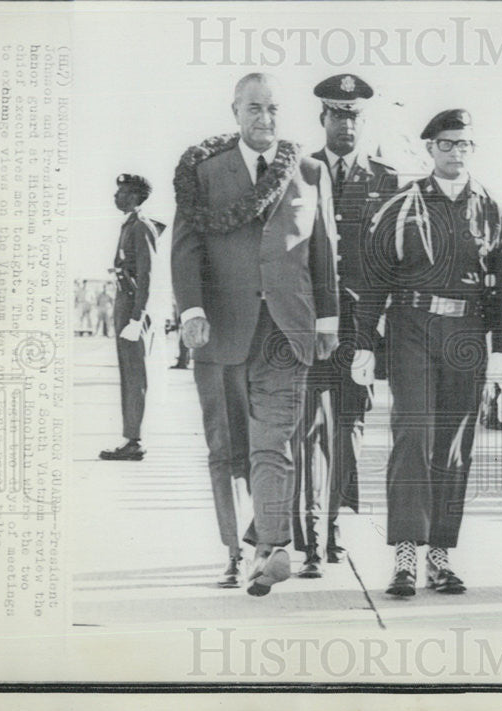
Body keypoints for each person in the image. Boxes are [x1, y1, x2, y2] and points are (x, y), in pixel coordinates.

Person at [171, 73, 339, 595]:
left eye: (272, 109)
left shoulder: (309, 172)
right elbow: (185, 246)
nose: (264, 119)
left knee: (275, 443)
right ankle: (231, 551)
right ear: (235, 112)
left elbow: (323, 251)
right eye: (254, 109)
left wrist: (327, 320)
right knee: (227, 448)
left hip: (285, 332)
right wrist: (192, 308)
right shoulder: (204, 172)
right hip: (220, 330)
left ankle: (270, 548)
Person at [352, 109, 502, 597]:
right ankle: (405, 554)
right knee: (412, 435)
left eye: (464, 144)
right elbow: (373, 278)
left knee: (453, 444)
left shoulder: (491, 208)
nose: (456, 152)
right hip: (411, 327)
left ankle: (439, 557)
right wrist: (363, 341)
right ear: (430, 148)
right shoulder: (401, 205)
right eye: (446, 144)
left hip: (467, 332)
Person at [290, 74, 400, 579]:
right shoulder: (300, 172)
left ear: (364, 119)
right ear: (323, 118)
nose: (346, 123)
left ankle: (333, 521)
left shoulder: (388, 180)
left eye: (354, 114)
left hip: (360, 326)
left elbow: (394, 261)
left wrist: (379, 335)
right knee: (307, 426)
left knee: (349, 429)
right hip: (311, 321)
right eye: (337, 114)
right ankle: (310, 532)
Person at [99, 174, 163, 462]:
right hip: (126, 305)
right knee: (128, 375)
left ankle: (134, 440)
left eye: (122, 192)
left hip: (133, 310)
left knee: (135, 375)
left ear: (136, 197)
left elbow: (148, 276)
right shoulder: (130, 225)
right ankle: (130, 437)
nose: (116, 196)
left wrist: (138, 319)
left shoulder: (141, 227)